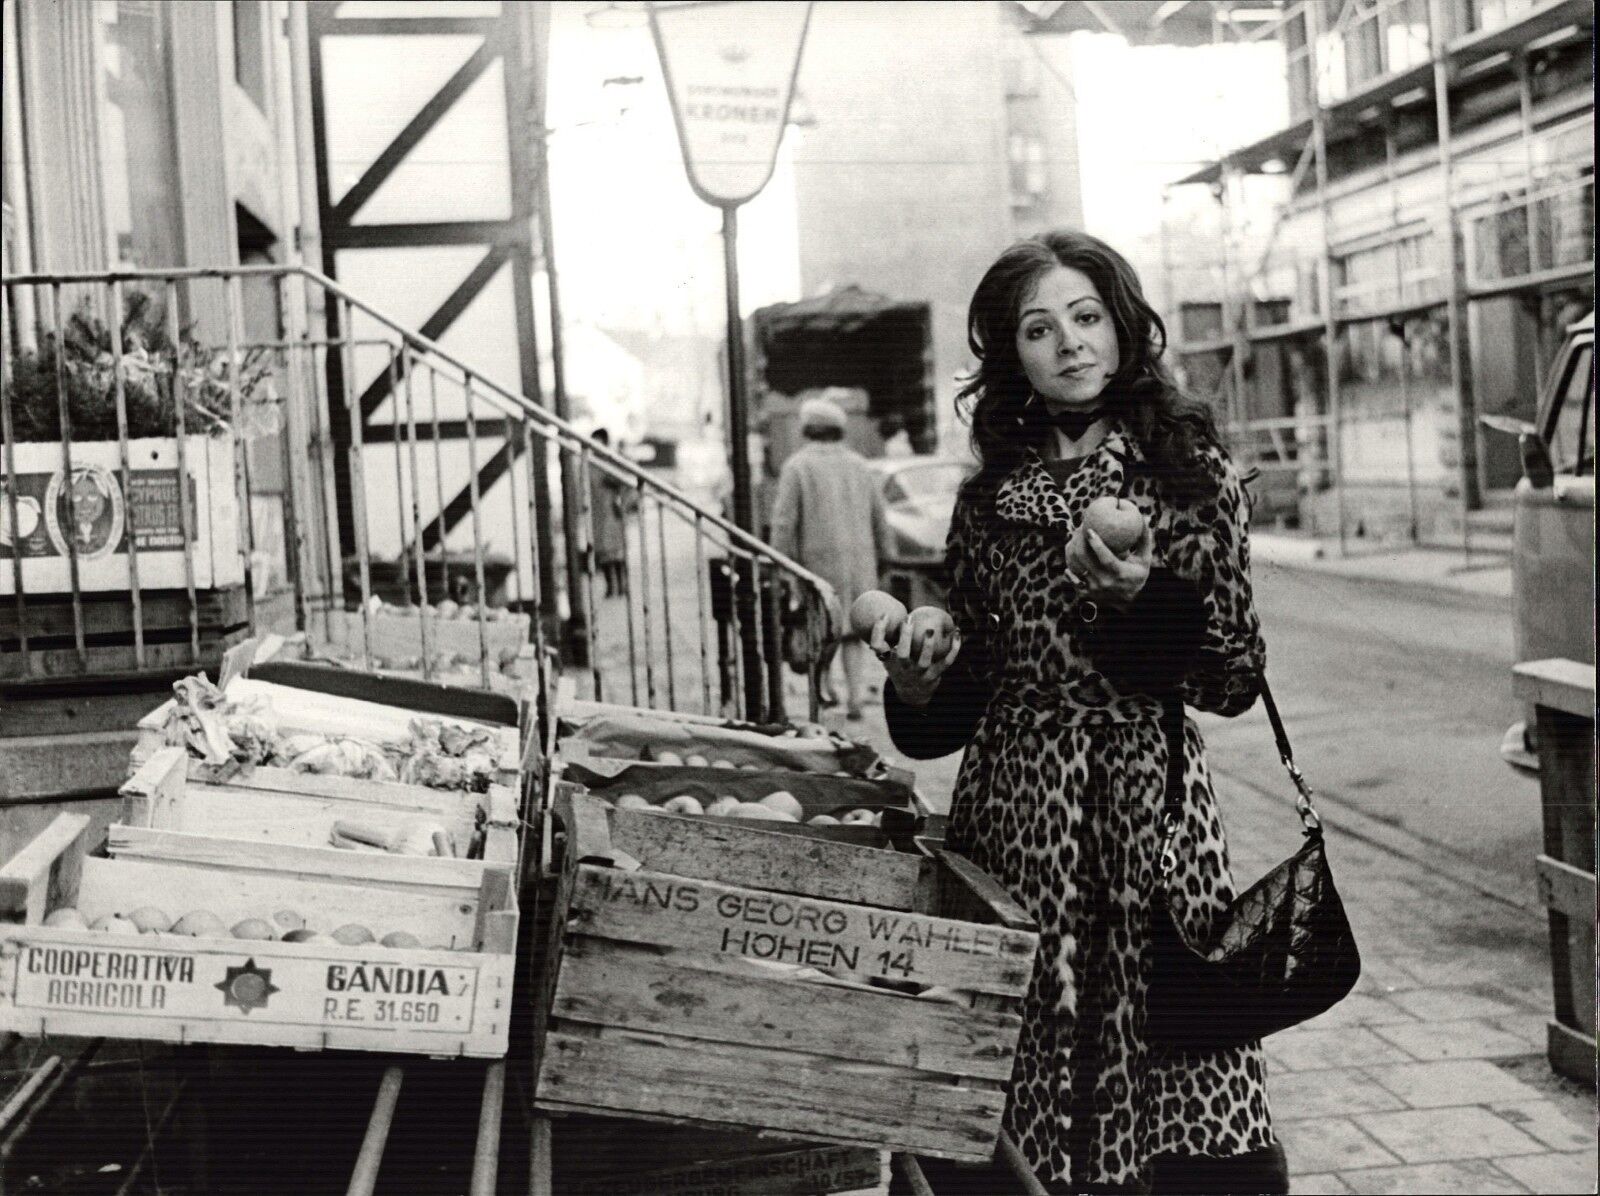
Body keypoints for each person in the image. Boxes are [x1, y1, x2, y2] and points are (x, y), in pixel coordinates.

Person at [876, 230, 1289, 1195]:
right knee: (1013, 1069)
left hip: (1153, 821)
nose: (1069, 343)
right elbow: (968, 693)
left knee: (1174, 1067)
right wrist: (921, 678)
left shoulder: (1191, 479)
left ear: (1121, 326)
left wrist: (1142, 598)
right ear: (1009, 356)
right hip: (1016, 820)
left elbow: (1231, 677)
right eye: (1038, 328)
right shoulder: (987, 502)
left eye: (1087, 317)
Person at [769, 394, 888, 719]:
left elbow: (783, 523)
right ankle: (855, 697)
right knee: (854, 629)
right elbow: (880, 517)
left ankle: (823, 689)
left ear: (807, 429)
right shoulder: (860, 466)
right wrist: (886, 555)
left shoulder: (797, 467)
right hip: (860, 562)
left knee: (820, 630)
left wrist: (779, 563)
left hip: (816, 566)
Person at [587, 428, 631, 598]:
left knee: (618, 551)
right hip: (597, 513)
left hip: (612, 510)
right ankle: (610, 586)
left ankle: (622, 584)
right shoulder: (589, 463)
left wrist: (622, 502)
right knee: (603, 552)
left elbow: (626, 481)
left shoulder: (612, 461)